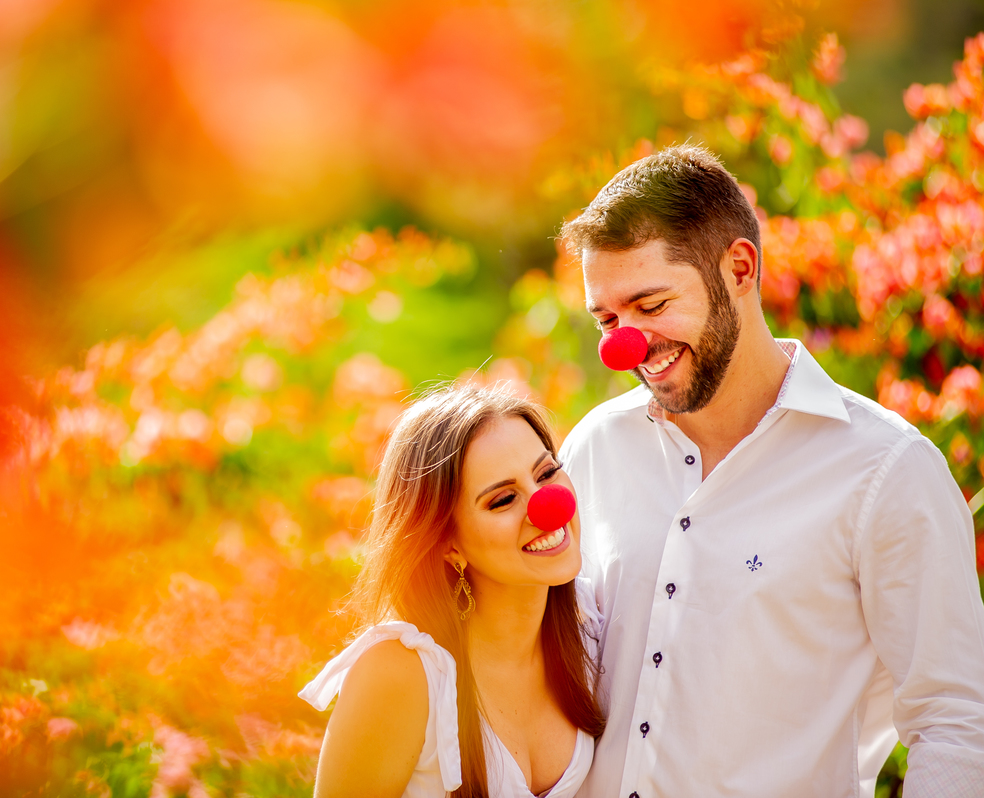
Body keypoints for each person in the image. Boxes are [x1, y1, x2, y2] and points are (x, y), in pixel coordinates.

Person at [557, 144, 984, 798]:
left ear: (738, 267)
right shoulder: (593, 449)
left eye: (650, 304)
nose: (626, 344)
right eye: (608, 318)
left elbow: (955, 720)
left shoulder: (886, 471)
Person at [301, 384, 606, 797]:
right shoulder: (401, 672)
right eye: (502, 500)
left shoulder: (590, 622)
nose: (547, 506)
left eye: (547, 473)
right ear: (449, 543)